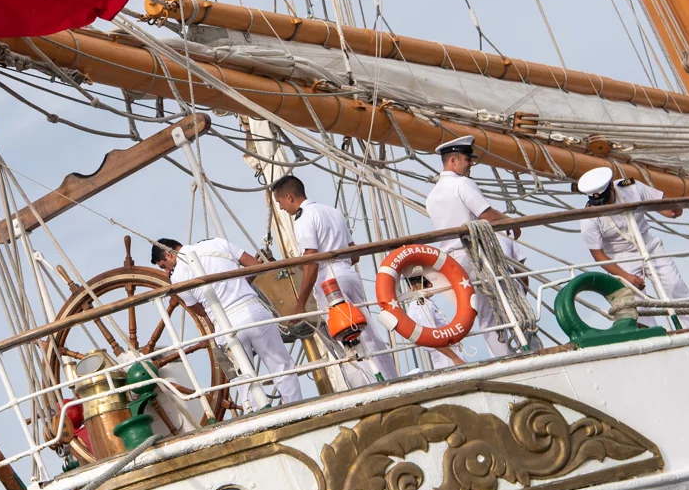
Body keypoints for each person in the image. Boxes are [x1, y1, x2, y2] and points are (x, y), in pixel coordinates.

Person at [149, 236, 304, 408]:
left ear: (169, 255)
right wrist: (238, 286)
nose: (165, 272)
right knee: (281, 365)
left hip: (225, 326)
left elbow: (199, 311)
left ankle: (259, 414)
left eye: (163, 266)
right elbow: (254, 265)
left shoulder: (177, 277)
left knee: (244, 380)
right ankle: (295, 405)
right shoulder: (217, 243)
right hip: (253, 312)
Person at [272, 175, 397, 385]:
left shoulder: (303, 219)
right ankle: (391, 378)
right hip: (348, 274)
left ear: (289, 197)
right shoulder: (332, 211)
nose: (281, 208)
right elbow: (354, 253)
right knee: (368, 332)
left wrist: (300, 304)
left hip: (330, 281)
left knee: (346, 335)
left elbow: (312, 263)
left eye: (280, 202)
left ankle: (368, 385)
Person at [424, 136, 530, 356]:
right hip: (479, 256)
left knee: (486, 315)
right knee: (510, 303)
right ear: (453, 161)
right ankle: (530, 349)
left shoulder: (432, 196)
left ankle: (505, 358)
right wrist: (511, 222)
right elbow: (486, 215)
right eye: (467, 159)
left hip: (457, 264)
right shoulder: (462, 183)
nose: (471, 163)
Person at [575, 167, 689, 326]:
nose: (603, 205)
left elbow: (665, 207)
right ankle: (652, 337)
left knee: (675, 286)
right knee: (636, 301)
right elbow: (598, 255)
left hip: (649, 246)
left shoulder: (631, 187)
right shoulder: (589, 218)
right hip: (622, 257)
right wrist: (625, 275)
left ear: (611, 186)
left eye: (605, 199)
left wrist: (674, 210)